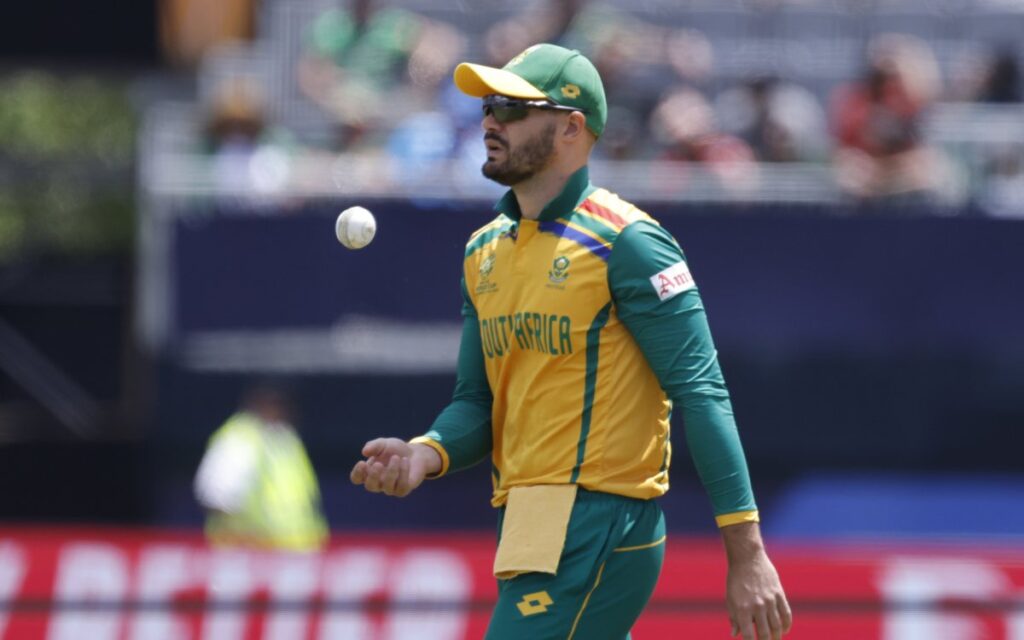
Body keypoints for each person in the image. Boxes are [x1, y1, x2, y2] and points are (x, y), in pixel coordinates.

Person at [350, 43, 791, 639]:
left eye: (512, 108)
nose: (490, 121)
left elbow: (703, 393)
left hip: (601, 520)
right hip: (526, 521)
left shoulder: (630, 242)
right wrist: (424, 454)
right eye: (487, 106)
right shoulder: (483, 250)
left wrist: (747, 553)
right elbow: (477, 403)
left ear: (571, 128)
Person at [195, 383, 327, 551]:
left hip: (294, 553)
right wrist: (248, 540)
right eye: (273, 403)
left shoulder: (285, 438)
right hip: (253, 554)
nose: (279, 410)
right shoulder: (239, 437)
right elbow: (216, 497)